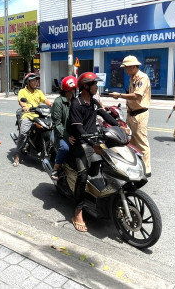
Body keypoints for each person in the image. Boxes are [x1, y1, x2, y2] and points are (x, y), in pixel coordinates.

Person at [69, 72, 120, 232]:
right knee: (83, 175)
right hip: (81, 143)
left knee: (112, 163)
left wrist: (120, 125)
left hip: (94, 140)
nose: (97, 87)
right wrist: (92, 143)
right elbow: (78, 129)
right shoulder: (76, 104)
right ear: (85, 86)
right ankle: (77, 212)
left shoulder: (93, 102)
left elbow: (105, 116)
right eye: (94, 85)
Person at [109, 55, 152, 176]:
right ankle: (136, 165)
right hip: (131, 113)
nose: (125, 70)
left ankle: (147, 169)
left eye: (126, 68)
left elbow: (137, 96)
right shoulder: (132, 78)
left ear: (133, 67)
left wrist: (120, 95)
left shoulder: (143, 78)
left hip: (140, 114)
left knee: (141, 141)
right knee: (131, 141)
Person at [13, 72, 52, 166]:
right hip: (28, 115)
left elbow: (45, 100)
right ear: (28, 82)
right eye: (33, 80)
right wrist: (24, 107)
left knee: (50, 127)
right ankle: (17, 155)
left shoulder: (38, 92)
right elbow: (21, 101)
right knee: (23, 133)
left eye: (36, 80)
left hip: (39, 115)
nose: (36, 82)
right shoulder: (23, 91)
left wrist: (51, 104)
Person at [50, 76, 77, 180]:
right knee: (65, 148)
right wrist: (67, 136)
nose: (75, 90)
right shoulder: (58, 102)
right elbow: (57, 123)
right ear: (69, 89)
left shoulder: (76, 101)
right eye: (74, 88)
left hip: (74, 133)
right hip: (61, 134)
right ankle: (56, 168)